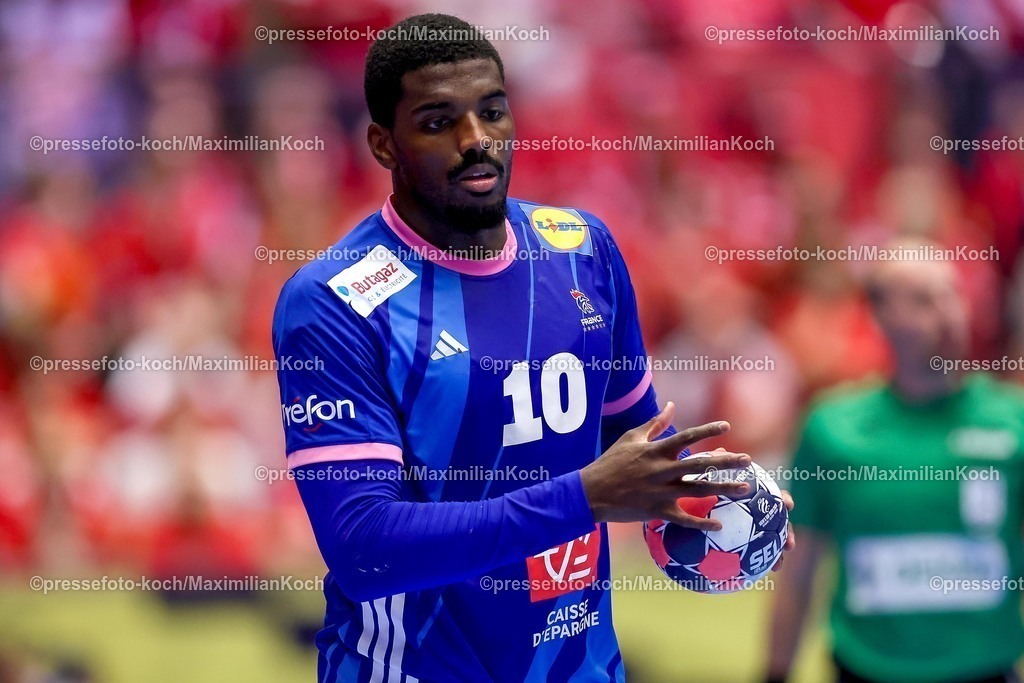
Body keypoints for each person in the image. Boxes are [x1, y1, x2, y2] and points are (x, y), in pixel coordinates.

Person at [273, 13, 792, 682]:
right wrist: (584, 499)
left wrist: (725, 495)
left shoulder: (583, 250)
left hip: (579, 666)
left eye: (492, 112)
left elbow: (632, 439)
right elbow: (364, 548)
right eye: (438, 122)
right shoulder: (334, 300)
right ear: (382, 144)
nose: (475, 140)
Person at [766, 250, 1024, 683]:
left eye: (953, 296)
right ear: (880, 317)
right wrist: (774, 673)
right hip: (865, 668)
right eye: (924, 300)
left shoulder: (1012, 421)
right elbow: (799, 573)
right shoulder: (832, 430)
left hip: (987, 669)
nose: (946, 315)